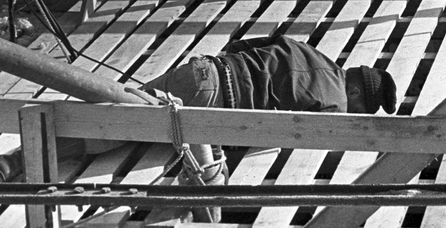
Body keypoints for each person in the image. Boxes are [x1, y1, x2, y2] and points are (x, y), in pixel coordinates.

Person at [0, 34, 397, 194]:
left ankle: (17, 157)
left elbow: (242, 43)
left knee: (114, 106)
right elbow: (284, 135)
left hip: (203, 71)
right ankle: (13, 163)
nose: (357, 112)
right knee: (118, 128)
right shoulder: (336, 105)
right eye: (364, 107)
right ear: (359, 91)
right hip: (215, 103)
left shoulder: (309, 50)